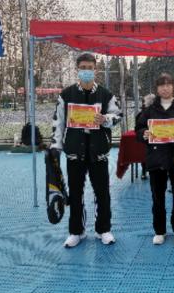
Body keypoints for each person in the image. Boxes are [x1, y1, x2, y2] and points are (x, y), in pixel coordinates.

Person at [50, 52, 122, 248]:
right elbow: (58, 122)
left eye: (90, 68)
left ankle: (103, 230)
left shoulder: (106, 94)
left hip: (98, 152)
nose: (86, 71)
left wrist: (105, 119)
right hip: (75, 151)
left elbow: (117, 115)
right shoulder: (66, 94)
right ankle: (76, 231)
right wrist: (56, 147)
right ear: (77, 70)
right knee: (75, 193)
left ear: (95, 70)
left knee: (102, 193)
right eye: (83, 68)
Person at [134, 73, 174, 245]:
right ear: (157, 89)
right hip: (156, 159)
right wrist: (143, 134)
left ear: (173, 87)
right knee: (157, 197)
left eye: (168, 84)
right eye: (161, 85)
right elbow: (138, 129)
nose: (165, 88)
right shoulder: (149, 109)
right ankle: (159, 231)